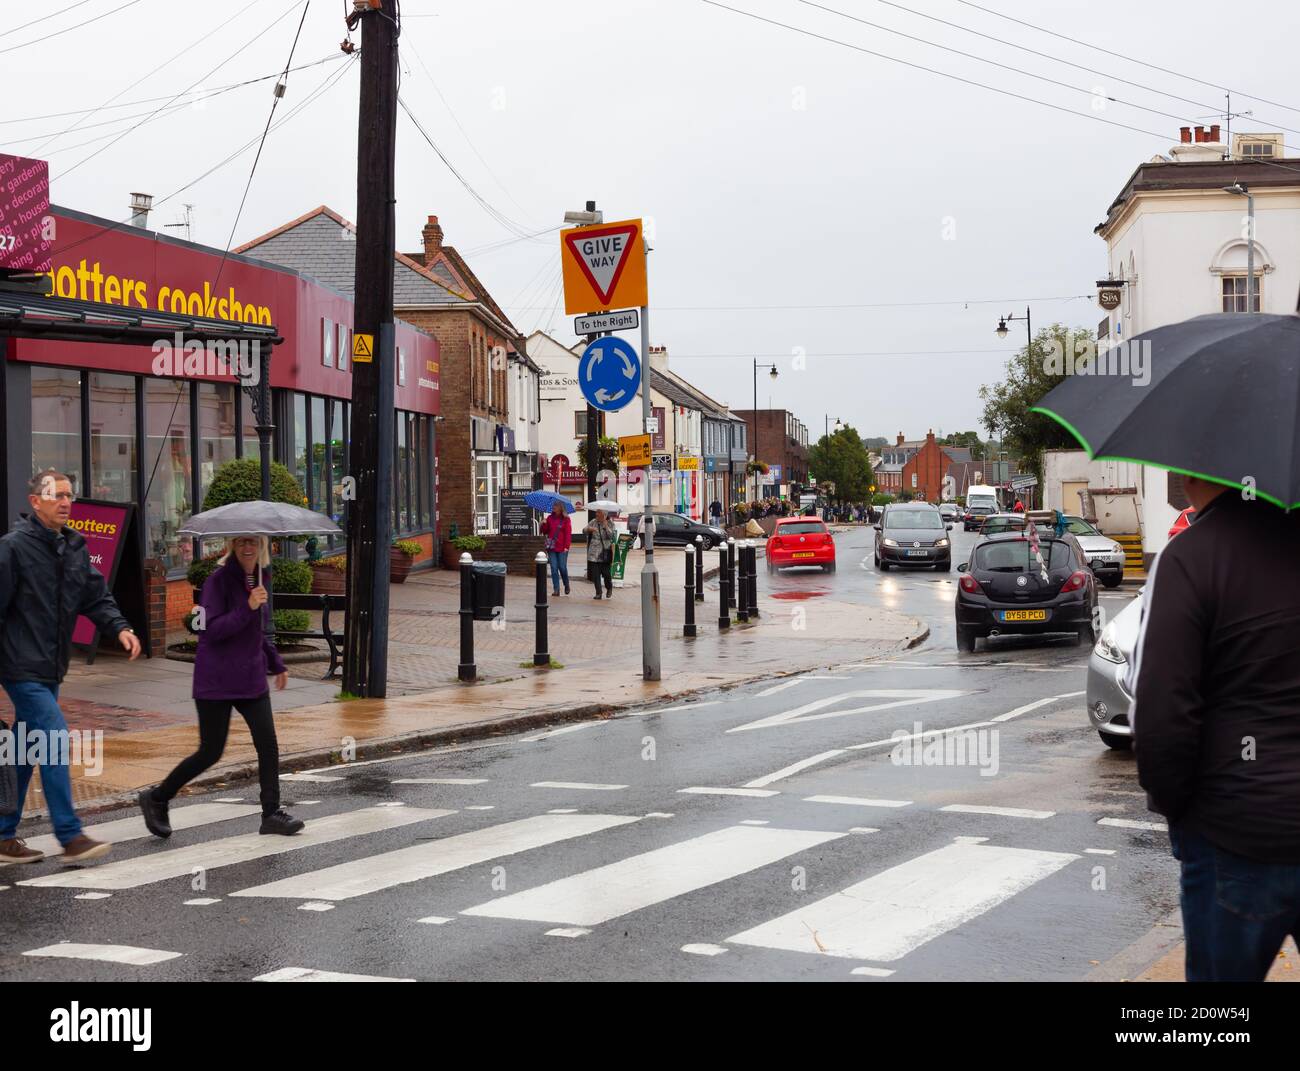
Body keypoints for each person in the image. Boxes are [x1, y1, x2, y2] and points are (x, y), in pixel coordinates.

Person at [1130, 476, 1300, 982]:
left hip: (1236, 832)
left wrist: (1180, 811)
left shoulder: (1191, 558)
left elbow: (1162, 713)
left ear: (1196, 472)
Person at [0, 470, 142, 865]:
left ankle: (3, 833)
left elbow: (95, 596)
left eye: (69, 495)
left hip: (50, 668)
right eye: (56, 495)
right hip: (19, 666)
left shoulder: (74, 547)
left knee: (26, 749)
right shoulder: (12, 549)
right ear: (35, 501)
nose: (65, 502)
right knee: (54, 737)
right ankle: (69, 834)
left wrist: (121, 627)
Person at [139, 535, 303, 838]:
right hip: (216, 679)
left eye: (253, 541)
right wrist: (249, 606)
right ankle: (157, 798)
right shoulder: (217, 582)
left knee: (268, 744)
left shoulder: (262, 577)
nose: (247, 547)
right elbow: (212, 631)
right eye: (241, 542)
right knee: (210, 752)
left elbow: (256, 631)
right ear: (232, 546)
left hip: (251, 678)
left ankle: (271, 814)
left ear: (263, 544)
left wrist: (276, 663)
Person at [540, 502, 572, 597]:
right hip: (552, 547)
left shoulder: (566, 519)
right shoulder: (550, 518)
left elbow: (568, 533)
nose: (553, 507)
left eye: (556, 506)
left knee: (562, 567)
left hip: (562, 547)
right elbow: (545, 531)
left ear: (561, 508)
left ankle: (566, 584)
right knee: (554, 568)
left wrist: (567, 546)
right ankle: (556, 589)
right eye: (553, 506)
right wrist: (543, 524)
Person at [584, 509, 616, 600]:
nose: (596, 514)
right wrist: (588, 529)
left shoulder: (610, 524)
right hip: (594, 553)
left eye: (599, 512)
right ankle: (598, 593)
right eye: (596, 512)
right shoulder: (593, 522)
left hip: (604, 552)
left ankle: (609, 587)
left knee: (606, 574)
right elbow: (584, 530)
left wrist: (606, 527)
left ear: (604, 514)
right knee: (596, 574)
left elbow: (612, 536)